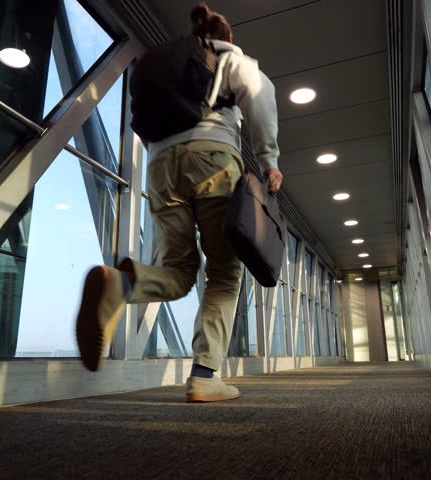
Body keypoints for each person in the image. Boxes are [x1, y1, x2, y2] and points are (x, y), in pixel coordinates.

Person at [75, 2, 282, 402]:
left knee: (179, 271)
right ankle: (205, 376)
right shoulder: (231, 58)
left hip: (160, 165)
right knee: (223, 274)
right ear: (227, 37)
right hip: (214, 159)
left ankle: (121, 282)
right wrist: (269, 161)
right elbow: (260, 97)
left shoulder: (172, 63)